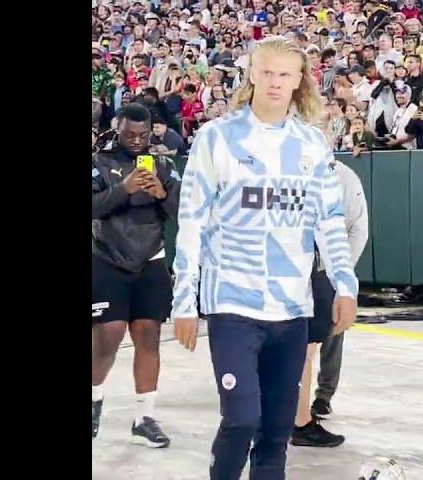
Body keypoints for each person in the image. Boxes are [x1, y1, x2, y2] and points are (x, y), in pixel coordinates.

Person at [171, 36, 358, 480]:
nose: (275, 82)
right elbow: (191, 223)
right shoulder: (216, 138)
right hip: (233, 303)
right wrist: (184, 301)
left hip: (292, 308)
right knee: (241, 420)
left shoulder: (312, 145)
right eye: (267, 72)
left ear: (299, 82)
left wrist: (344, 285)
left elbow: (330, 222)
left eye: (285, 74)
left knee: (276, 432)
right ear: (252, 73)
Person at [92, 103, 181, 447]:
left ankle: (144, 417)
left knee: (149, 336)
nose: (136, 141)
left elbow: (184, 212)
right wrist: (124, 189)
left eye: (143, 136)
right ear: (118, 128)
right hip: (107, 257)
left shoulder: (163, 165)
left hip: (151, 259)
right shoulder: (99, 161)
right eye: (130, 135)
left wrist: (162, 194)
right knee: (107, 337)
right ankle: (95, 401)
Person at [291, 159, 368, 447]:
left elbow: (358, 230)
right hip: (291, 271)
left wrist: (342, 278)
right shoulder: (278, 167)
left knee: (313, 344)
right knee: (301, 349)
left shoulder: (343, 177)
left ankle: (314, 404)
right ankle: (296, 420)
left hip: (321, 271)